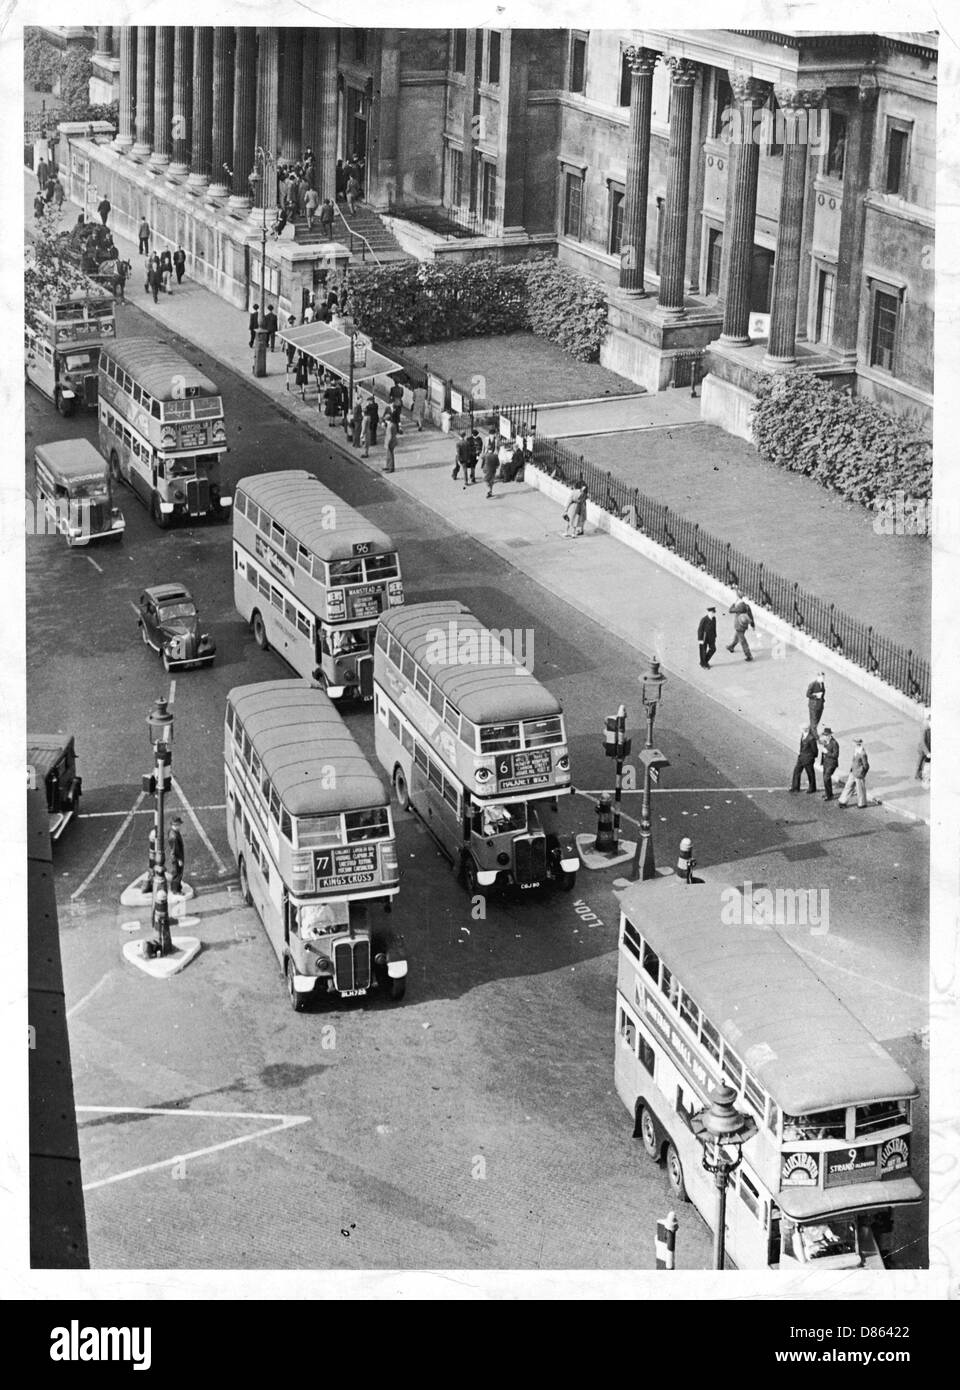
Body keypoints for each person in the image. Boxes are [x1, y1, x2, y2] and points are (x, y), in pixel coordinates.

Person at [837, 739, 870, 809]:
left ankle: (862, 803)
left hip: (858, 774)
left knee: (860, 789)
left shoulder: (862, 753)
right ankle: (843, 801)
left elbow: (866, 765)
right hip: (853, 772)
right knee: (848, 786)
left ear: (857, 743)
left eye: (854, 743)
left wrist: (863, 773)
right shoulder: (856, 750)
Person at [726, 588, 755, 661]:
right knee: (737, 636)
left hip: (739, 625)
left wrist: (733, 604)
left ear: (738, 596)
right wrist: (752, 624)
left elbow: (730, 610)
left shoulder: (740, 606)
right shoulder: (746, 605)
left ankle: (749, 655)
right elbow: (750, 615)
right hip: (744, 625)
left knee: (742, 641)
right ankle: (731, 647)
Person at [790, 726, 819, 794]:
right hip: (801, 757)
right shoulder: (803, 735)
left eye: (802, 729)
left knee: (810, 773)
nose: (801, 730)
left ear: (806, 729)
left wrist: (811, 757)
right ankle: (795, 787)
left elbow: (815, 750)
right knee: (796, 771)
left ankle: (812, 788)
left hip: (808, 759)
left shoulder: (811, 738)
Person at [819, 727, 840, 801]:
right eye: (824, 735)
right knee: (826, 779)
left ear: (830, 735)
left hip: (831, 764)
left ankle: (829, 796)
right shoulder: (826, 741)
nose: (825, 736)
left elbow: (836, 755)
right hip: (826, 763)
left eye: (826, 735)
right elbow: (819, 741)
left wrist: (826, 752)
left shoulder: (834, 743)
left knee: (826, 778)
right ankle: (828, 793)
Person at [167, 816, 185, 895]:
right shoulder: (174, 836)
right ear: (175, 825)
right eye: (179, 825)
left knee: (177, 873)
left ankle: (177, 887)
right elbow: (175, 850)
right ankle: (176, 890)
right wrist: (179, 860)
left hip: (176, 857)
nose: (180, 826)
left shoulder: (172, 832)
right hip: (177, 857)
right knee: (177, 873)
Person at [916, 717, 931, 781]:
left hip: (929, 748)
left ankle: (926, 775)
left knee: (927, 762)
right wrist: (927, 752)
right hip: (923, 749)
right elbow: (922, 742)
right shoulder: (924, 729)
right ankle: (918, 774)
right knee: (921, 762)